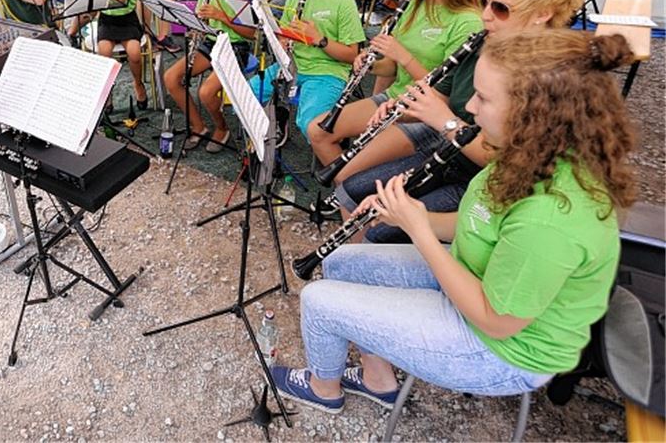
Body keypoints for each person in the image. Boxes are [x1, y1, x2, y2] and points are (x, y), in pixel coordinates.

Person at [271, 29, 635, 415]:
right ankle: (378, 379)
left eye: (483, 98)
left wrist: (418, 231)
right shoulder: (528, 150)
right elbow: (479, 221)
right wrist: (414, 215)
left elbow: (496, 321)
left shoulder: (551, 219)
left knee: (318, 300)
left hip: (500, 350)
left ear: (534, 113)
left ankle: (323, 388)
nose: (471, 108)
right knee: (342, 261)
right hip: (475, 277)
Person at [331, 0, 585, 244]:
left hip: (484, 181)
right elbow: (439, 96)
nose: (486, 15)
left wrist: (446, 121)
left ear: (543, 13)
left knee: (381, 229)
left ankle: (373, 264)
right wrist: (403, 109)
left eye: (501, 8)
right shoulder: (483, 42)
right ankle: (357, 260)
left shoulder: (549, 78)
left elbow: (500, 159)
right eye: (485, 2)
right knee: (354, 188)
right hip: (452, 152)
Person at [307, 0, 483, 172]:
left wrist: (403, 56)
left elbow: (447, 93)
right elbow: (392, 66)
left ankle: (349, 193)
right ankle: (346, 194)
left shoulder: (467, 22)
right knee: (317, 132)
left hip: (426, 114)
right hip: (394, 99)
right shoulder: (417, 4)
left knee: (347, 171)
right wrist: (371, 65)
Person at [248, 0, 364, 137]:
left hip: (327, 72)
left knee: (309, 124)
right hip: (293, 65)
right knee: (248, 94)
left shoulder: (344, 1)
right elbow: (285, 34)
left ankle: (330, 152)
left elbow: (351, 55)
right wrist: (282, 41)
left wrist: (319, 39)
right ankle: (272, 132)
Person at [163, 0, 258, 152]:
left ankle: (222, 128)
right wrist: (196, 26)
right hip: (211, 42)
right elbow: (201, 20)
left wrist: (222, 17)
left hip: (236, 46)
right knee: (171, 78)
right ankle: (198, 127)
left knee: (205, 92)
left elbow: (252, 34)